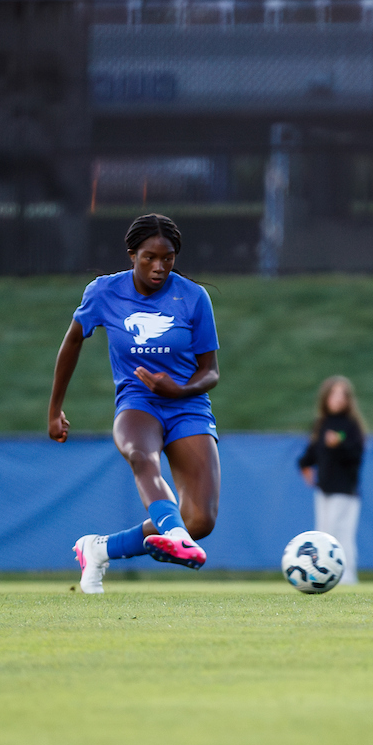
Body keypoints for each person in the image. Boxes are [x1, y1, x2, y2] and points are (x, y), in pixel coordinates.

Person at [49, 214, 221, 594]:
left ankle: (100, 548)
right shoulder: (104, 292)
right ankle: (174, 535)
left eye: (168, 258)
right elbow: (72, 342)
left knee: (200, 521)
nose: (159, 266)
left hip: (187, 406)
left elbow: (210, 372)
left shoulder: (193, 297)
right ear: (132, 255)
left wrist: (177, 389)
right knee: (142, 457)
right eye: (149, 257)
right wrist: (54, 409)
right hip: (137, 401)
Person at [298, 376, 365, 585]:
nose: (337, 399)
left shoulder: (351, 426)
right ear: (325, 398)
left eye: (341, 395)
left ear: (348, 400)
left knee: (341, 534)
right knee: (324, 534)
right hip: (324, 489)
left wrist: (339, 444)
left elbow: (356, 455)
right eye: (333, 394)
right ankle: (326, 575)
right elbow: (313, 452)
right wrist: (304, 465)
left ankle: (347, 576)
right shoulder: (322, 424)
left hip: (345, 491)